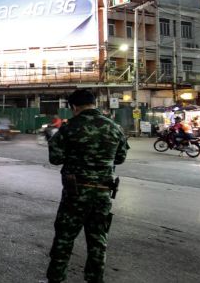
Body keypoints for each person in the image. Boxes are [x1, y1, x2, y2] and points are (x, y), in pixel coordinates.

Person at [45, 89, 129, 283]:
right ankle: (95, 279)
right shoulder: (114, 127)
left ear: (74, 107)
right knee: (98, 240)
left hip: (76, 193)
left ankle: (56, 279)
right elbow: (121, 158)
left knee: (64, 239)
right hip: (103, 194)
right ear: (94, 103)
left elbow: (55, 158)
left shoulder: (70, 127)